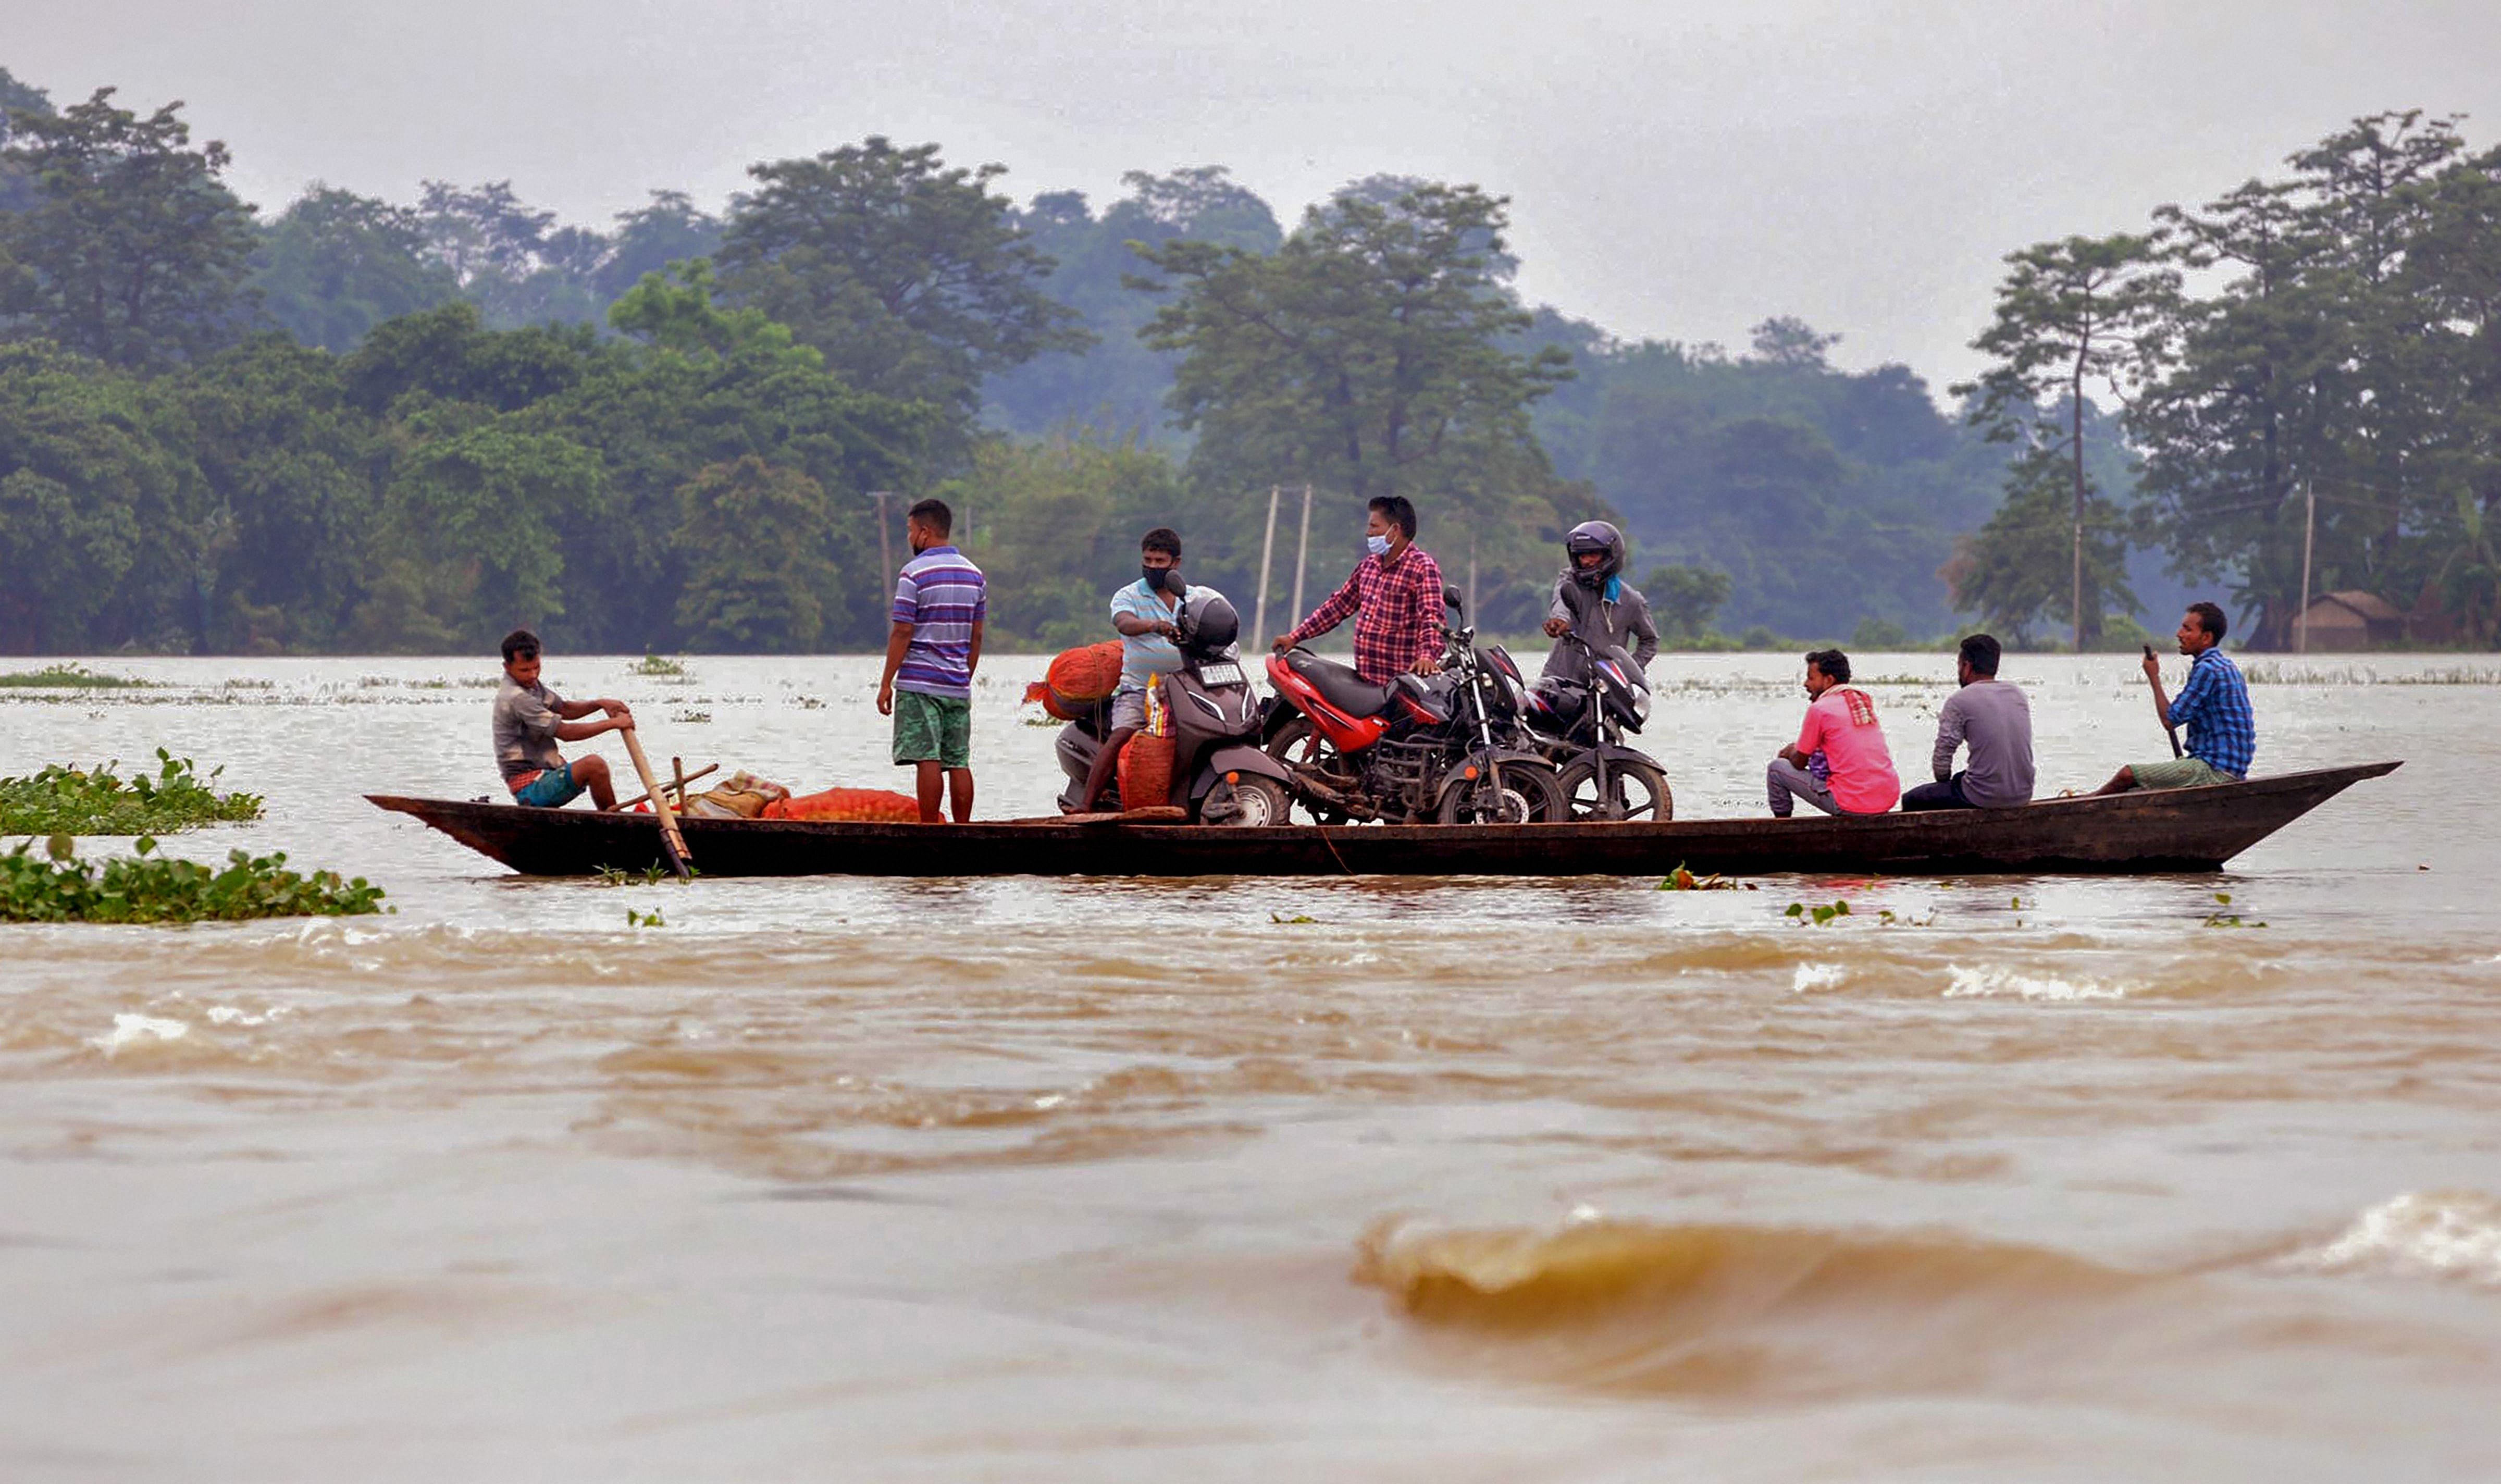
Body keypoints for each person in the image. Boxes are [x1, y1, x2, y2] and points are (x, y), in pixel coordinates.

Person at [1079, 526, 1209, 812]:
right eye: (1147, 560)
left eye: (1159, 562)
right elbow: (1124, 623)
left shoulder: (1194, 598)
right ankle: (1085, 805)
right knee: (1121, 734)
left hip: (1186, 689)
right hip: (1139, 689)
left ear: (1176, 563)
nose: (1152, 567)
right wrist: (1155, 626)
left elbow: (1216, 624)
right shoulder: (1128, 595)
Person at [876, 498, 987, 823]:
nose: (909, 538)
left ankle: (929, 831)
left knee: (929, 758)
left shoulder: (913, 574)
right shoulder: (975, 575)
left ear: (925, 532)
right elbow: (976, 636)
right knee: (959, 760)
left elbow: (902, 632)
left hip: (920, 684)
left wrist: (886, 683)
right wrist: (964, 675)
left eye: (910, 531)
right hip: (957, 683)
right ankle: (963, 830)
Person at [1271, 495, 1445, 684]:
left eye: (1374, 526)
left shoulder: (1422, 567)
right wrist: (1295, 637)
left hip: (1401, 685)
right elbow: (1337, 607)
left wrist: (1427, 656)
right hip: (1365, 680)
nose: (1368, 533)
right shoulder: (1368, 566)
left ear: (1395, 530)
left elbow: (1432, 617)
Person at [2091, 601, 2254, 794]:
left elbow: (2170, 720)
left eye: (2187, 629)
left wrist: (2154, 677)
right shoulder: (2227, 666)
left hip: (2214, 771)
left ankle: (2081, 807)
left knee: (2128, 775)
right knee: (2135, 792)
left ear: (2206, 638)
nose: (2179, 634)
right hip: (2232, 770)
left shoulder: (2207, 669)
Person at [491, 628, 633, 810]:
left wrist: (600, 704)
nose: (533, 675)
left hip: (546, 775)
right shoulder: (517, 696)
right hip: (530, 788)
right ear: (507, 667)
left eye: (536, 667)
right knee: (595, 766)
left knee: (594, 768)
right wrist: (613, 723)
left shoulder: (532, 686)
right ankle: (616, 825)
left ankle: (613, 819)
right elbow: (564, 732)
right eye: (525, 670)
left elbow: (564, 708)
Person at [1902, 633, 2034, 811]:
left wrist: (1943, 784)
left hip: (1984, 796)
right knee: (1964, 780)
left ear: (1967, 666)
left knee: (1911, 800)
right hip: (2023, 793)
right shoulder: (2017, 694)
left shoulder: (1959, 701)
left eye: (1959, 665)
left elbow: (1941, 762)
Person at [1767, 648, 1900, 817]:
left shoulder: (1820, 709)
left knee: (1776, 769)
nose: (1806, 684)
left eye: (1811, 678)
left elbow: (1799, 763)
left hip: (1851, 803)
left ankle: (1781, 829)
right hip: (1887, 799)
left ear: (1828, 680)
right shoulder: (1862, 701)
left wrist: (1792, 751)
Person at [1539, 520, 1659, 681]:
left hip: (1604, 685)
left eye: (1593, 555)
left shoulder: (1632, 600)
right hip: (1560, 678)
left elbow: (1649, 640)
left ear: (1610, 556)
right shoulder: (1570, 580)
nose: (1587, 561)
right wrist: (1560, 619)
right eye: (1582, 556)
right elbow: (1561, 599)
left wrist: (1631, 669)